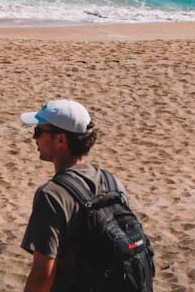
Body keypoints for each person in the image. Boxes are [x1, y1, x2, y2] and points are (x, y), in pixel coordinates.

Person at [18, 98, 149, 292]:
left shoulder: (52, 195)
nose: (34, 138)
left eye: (39, 131)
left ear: (61, 139)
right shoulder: (112, 183)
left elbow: (42, 274)